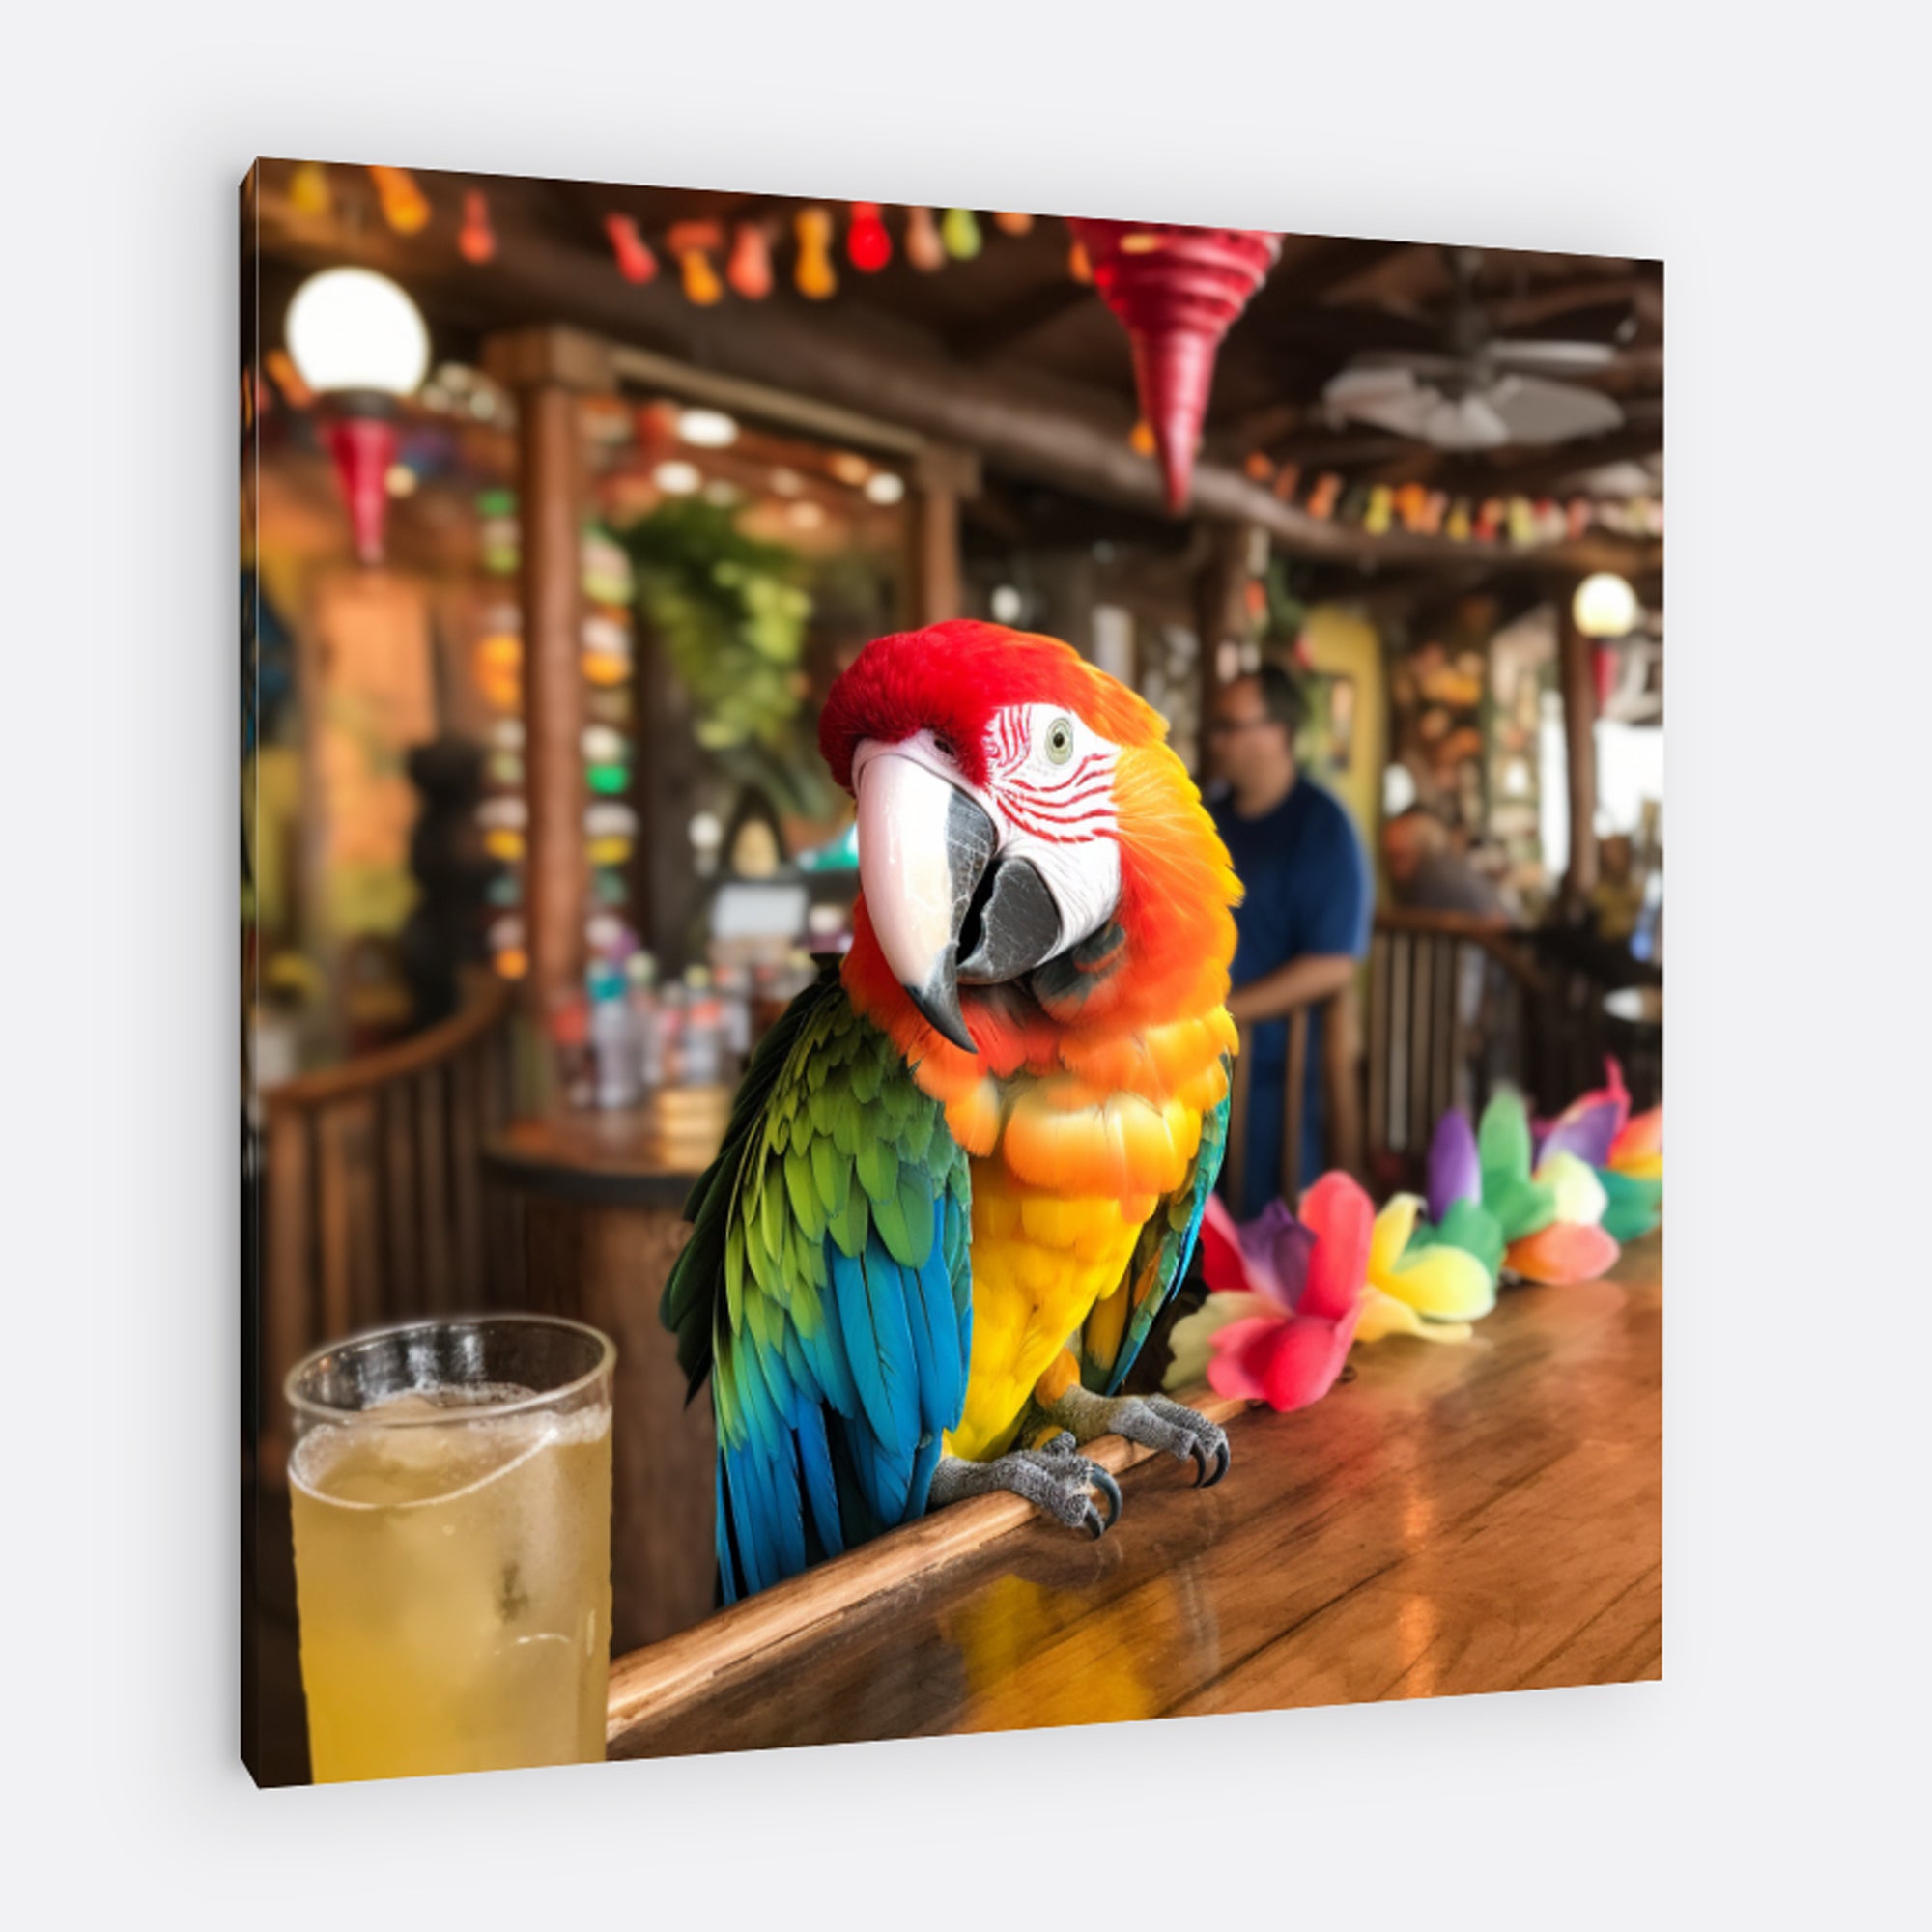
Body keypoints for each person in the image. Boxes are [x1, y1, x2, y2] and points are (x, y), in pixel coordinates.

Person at [1207, 666, 1371, 1207]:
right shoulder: (1206, 818)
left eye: (1232, 726)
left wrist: (1231, 1011)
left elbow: (1333, 963)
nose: (1218, 740)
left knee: (1267, 1232)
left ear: (1279, 732)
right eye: (1219, 725)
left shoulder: (1322, 827)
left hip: (1276, 1065)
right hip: (1194, 1056)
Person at [1381, 805, 1512, 918]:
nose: (1394, 869)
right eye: (1390, 857)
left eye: (1399, 857)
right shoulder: (1451, 868)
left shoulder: (1431, 877)